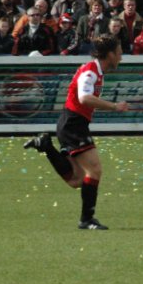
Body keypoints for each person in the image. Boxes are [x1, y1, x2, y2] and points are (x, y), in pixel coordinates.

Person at [23, 35, 129, 230]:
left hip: (72, 124)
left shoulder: (96, 71)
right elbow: (84, 97)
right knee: (95, 170)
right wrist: (114, 106)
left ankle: (46, 145)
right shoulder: (90, 72)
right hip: (73, 124)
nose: (121, 57)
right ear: (111, 54)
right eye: (120, 53)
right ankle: (86, 220)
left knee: (76, 180)